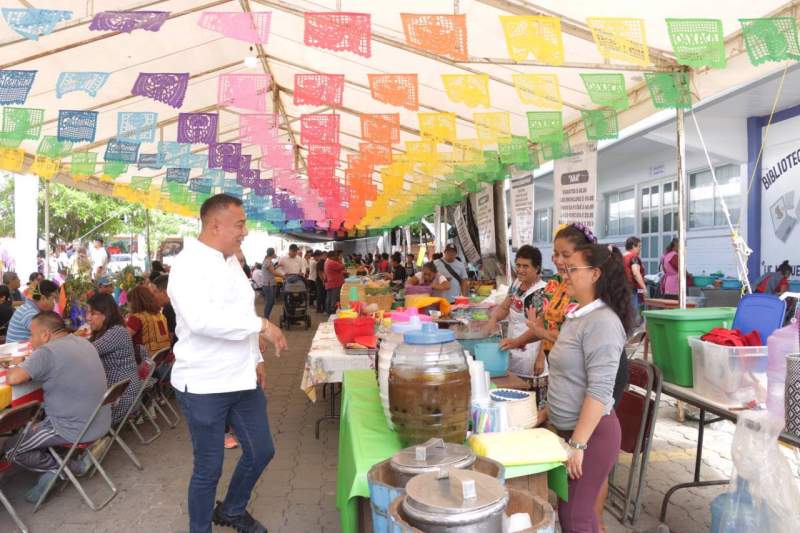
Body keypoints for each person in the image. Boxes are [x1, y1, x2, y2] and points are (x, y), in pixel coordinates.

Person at [168, 193, 286, 533]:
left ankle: (233, 509)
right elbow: (202, 321)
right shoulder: (188, 265)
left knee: (261, 450)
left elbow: (241, 312)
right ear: (214, 224)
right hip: (205, 384)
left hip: (242, 378)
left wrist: (257, 357)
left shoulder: (231, 260)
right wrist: (262, 326)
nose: (244, 231)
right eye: (239, 224)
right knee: (208, 468)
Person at [537, 243, 629, 533]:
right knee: (579, 513)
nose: (565, 274)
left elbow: (600, 390)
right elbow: (570, 376)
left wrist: (578, 444)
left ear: (595, 274)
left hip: (593, 434)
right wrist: (548, 410)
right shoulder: (579, 315)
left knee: (574, 514)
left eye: (572, 268)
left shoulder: (603, 322)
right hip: (572, 430)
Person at [3, 311, 111, 502]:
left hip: (72, 427)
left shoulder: (47, 352)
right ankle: (57, 462)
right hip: (100, 419)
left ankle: (74, 467)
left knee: (11, 448)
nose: (30, 339)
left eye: (32, 335)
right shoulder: (82, 341)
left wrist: (16, 365)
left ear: (45, 335)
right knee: (35, 424)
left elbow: (13, 378)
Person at [482, 245, 547, 399]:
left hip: (532, 353)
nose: (520, 270)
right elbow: (505, 307)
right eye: (518, 265)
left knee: (529, 401)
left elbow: (546, 328)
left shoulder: (543, 292)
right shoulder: (517, 284)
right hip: (512, 347)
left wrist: (541, 357)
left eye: (526, 266)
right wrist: (493, 319)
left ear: (537, 268)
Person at [86, 293, 142, 426]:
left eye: (92, 314)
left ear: (105, 314)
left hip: (121, 398)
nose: (87, 318)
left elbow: (85, 353)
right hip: (119, 392)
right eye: (87, 313)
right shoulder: (113, 330)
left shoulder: (116, 332)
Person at [126, 285, 171, 358]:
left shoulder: (137, 318)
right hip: (161, 358)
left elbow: (122, 338)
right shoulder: (160, 315)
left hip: (145, 360)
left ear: (134, 302)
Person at [623, 237, 647, 326]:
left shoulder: (621, 257)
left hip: (622, 289)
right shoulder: (633, 257)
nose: (640, 249)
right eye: (639, 246)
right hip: (634, 289)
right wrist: (644, 289)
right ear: (633, 246)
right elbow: (636, 273)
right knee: (635, 316)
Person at [150, 274, 176, 346]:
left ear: (165, 292)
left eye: (155, 291)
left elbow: (168, 340)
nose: (153, 296)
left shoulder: (168, 309)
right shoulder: (174, 305)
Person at [324, 250, 345, 314]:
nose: (336, 257)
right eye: (335, 256)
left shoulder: (327, 261)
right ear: (332, 256)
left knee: (329, 298)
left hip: (330, 282)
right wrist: (340, 259)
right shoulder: (331, 262)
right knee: (334, 298)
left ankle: (328, 311)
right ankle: (332, 311)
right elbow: (342, 266)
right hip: (334, 283)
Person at [261, 248, 278, 320]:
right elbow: (273, 272)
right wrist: (283, 276)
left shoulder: (268, 261)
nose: (276, 254)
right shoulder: (268, 261)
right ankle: (265, 317)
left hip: (269, 284)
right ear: (272, 253)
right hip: (268, 284)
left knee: (271, 301)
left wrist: (278, 266)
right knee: (270, 301)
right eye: (275, 253)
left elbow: (272, 270)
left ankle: (266, 317)